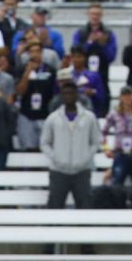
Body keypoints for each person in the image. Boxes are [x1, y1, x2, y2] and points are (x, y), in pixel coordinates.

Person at [41, 80, 100, 210]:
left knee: (85, 206)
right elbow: (44, 143)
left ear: (76, 95)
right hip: (58, 170)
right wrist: (56, 157)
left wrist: (86, 157)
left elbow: (96, 141)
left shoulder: (89, 117)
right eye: (65, 93)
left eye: (71, 93)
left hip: (82, 170)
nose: (68, 96)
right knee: (54, 205)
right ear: (61, 96)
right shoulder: (53, 118)